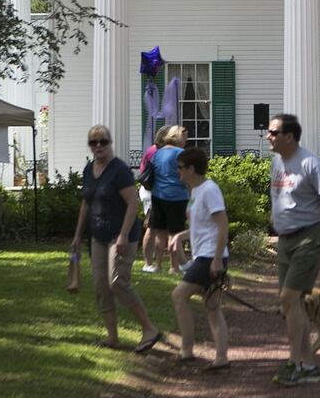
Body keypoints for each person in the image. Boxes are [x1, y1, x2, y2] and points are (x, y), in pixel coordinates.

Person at [69, 124, 162, 353]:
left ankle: (149, 329)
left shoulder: (119, 170)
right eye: (94, 142)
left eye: (103, 141)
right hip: (97, 235)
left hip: (121, 235)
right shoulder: (89, 169)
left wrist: (122, 235)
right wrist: (77, 235)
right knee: (101, 286)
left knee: (117, 281)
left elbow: (132, 203)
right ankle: (112, 337)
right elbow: (86, 202)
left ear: (110, 143)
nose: (98, 146)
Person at [267, 113, 320, 388]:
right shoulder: (277, 161)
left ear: (289, 136)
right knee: (292, 304)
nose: (268, 136)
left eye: (273, 132)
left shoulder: (310, 164)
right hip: (285, 239)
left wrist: (308, 215)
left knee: (290, 297)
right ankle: (309, 365)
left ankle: (294, 362)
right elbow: (278, 196)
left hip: (309, 237)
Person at [169, 148, 230, 370]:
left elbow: (222, 224)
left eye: (181, 168)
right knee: (212, 306)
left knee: (179, 296)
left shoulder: (209, 190)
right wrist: (180, 236)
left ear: (191, 169)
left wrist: (216, 260)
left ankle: (186, 350)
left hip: (209, 257)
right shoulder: (195, 191)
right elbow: (201, 226)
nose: (178, 172)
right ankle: (221, 358)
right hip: (203, 254)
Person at [144, 126, 190, 274]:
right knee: (174, 234)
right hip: (177, 197)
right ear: (177, 137)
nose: (186, 141)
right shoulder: (181, 154)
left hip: (158, 196)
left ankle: (157, 265)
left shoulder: (157, 153)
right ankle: (174, 266)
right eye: (184, 137)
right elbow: (186, 176)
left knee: (160, 233)